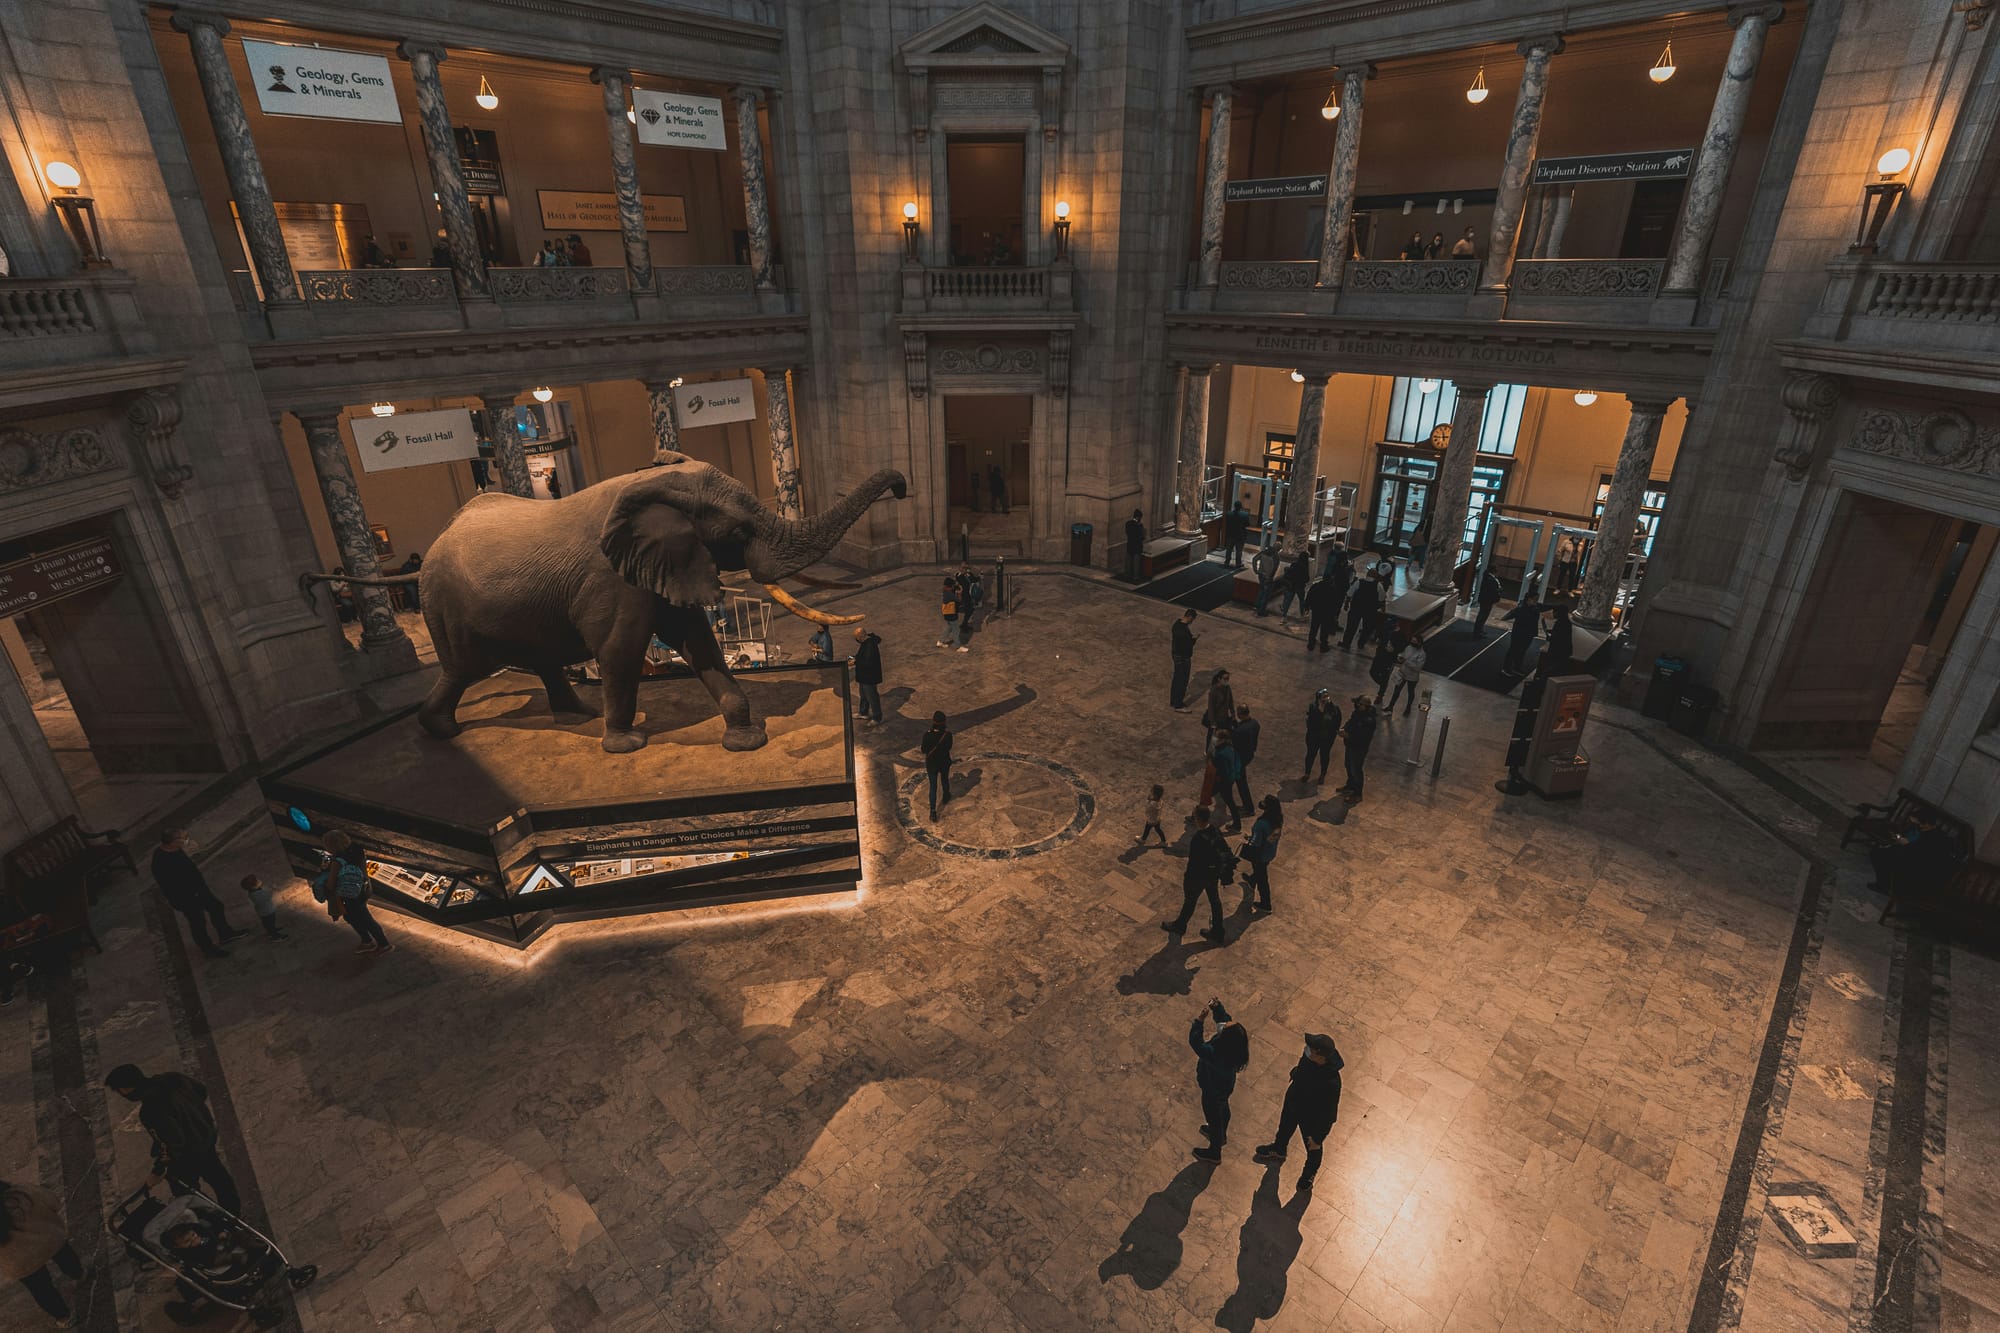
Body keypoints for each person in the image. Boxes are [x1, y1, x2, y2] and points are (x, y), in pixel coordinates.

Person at [103, 1065, 239, 1214]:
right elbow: (201, 1091)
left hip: (188, 1155)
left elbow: (172, 1143)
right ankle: (234, 1213)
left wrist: (157, 1172)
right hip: (205, 1137)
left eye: (119, 1091)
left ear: (126, 1088)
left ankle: (215, 1219)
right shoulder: (174, 1078)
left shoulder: (150, 1110)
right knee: (220, 1180)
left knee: (185, 1193)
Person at [1253, 1033, 1344, 1189]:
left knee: (1312, 1147)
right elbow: (1302, 1069)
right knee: (1284, 1128)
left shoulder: (1331, 1083)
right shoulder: (1309, 1058)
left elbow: (1329, 1114)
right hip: (1294, 1101)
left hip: (1311, 1117)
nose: (1307, 1050)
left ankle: (1309, 1174)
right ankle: (1279, 1149)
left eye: (1311, 1049)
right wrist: (1295, 1073)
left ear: (1320, 1056)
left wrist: (1318, 1138)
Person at [1, 1177, 85, 1327]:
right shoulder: (20, 1194)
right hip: (49, 1240)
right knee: (65, 1256)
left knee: (42, 1289)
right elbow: (53, 1201)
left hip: (21, 1262)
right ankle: (79, 1275)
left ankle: (64, 1317)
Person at [152, 829, 244, 960]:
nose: (188, 839)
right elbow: (171, 886)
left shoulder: (175, 849)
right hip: (187, 898)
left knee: (216, 907)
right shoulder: (161, 862)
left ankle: (225, 934)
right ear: (174, 842)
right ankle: (208, 950)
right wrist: (192, 895)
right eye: (185, 838)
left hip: (199, 889)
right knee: (198, 923)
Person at [1186, 998, 1250, 1162]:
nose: (1224, 1024)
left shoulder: (1215, 1054)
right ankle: (1221, 1135)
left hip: (1212, 1090)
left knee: (1214, 1118)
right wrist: (1217, 1008)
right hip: (1223, 1088)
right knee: (1223, 1110)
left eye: (1225, 1027)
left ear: (1225, 1038)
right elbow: (1225, 1020)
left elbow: (1196, 1043)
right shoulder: (1235, 1048)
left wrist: (1199, 1022)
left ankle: (1215, 1151)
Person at [310, 831, 392, 954]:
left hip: (350, 896)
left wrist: (323, 883)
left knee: (362, 919)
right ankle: (367, 941)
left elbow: (331, 884)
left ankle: (383, 944)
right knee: (355, 916)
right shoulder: (357, 849)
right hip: (364, 888)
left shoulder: (337, 861)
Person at [1164, 805, 1235, 944]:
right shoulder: (1214, 830)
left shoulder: (1198, 838)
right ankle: (1217, 931)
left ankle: (1179, 926)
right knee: (1215, 901)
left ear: (1197, 818)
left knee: (1190, 901)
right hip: (1212, 874)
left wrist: (1188, 877)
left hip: (1198, 876)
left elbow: (1194, 862)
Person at [1240, 795, 1283, 914]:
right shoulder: (1278, 819)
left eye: (1264, 802)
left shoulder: (1261, 824)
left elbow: (1256, 842)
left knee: (1262, 878)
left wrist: (1250, 839)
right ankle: (1252, 880)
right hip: (1270, 852)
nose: (1262, 802)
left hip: (1260, 855)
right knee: (1260, 870)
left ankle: (1266, 904)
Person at [1339, 697, 1378, 803]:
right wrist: (1344, 728)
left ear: (1366, 706)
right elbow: (1351, 722)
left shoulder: (1369, 720)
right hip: (1350, 745)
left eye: (1360, 704)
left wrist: (1348, 735)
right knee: (1348, 765)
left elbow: (1363, 737)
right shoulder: (1358, 713)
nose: (1357, 706)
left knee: (1356, 770)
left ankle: (1357, 794)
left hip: (1359, 748)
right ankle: (1350, 786)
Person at [1208, 732, 1245, 833]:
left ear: (1223, 739)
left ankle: (1237, 826)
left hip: (1223, 782)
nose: (1215, 740)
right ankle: (1237, 825)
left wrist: (1211, 760)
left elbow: (1220, 770)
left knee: (1208, 796)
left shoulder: (1221, 754)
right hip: (1229, 779)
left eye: (1218, 738)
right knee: (1228, 801)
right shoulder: (1230, 748)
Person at [1302, 690, 1341, 784]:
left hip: (1326, 739)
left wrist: (1332, 734)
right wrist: (1320, 711)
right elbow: (1311, 723)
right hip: (1314, 737)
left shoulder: (1334, 708)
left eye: (1327, 696)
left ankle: (1323, 774)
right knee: (1310, 755)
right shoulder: (1313, 707)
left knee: (1324, 756)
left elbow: (1337, 722)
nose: (1326, 699)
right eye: (1323, 697)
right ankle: (1307, 773)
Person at [1229, 705, 1260, 821]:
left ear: (1240, 714)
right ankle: (1247, 806)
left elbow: (1234, 741)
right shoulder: (1255, 723)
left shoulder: (1240, 731)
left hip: (1240, 758)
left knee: (1242, 783)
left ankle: (1248, 808)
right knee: (1240, 780)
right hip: (1249, 754)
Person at [921, 712, 954, 819]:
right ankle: (946, 795)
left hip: (932, 764)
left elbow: (923, 750)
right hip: (944, 762)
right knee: (944, 779)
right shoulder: (947, 735)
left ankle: (933, 811)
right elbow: (949, 747)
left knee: (933, 787)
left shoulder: (927, 735)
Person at [1304, 568, 1343, 654]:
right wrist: (1335, 614)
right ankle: (1323, 646)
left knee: (1314, 628)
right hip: (1327, 613)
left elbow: (1309, 596)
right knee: (1324, 630)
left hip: (1316, 611)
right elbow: (1336, 603)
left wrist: (1307, 607)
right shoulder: (1333, 590)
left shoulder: (1316, 586)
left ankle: (1311, 644)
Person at [1503, 596, 1545, 676]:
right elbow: (1509, 615)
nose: (1536, 601)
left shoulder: (1536, 607)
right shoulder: (1521, 608)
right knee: (1513, 650)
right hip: (1519, 633)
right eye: (1534, 599)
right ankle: (1506, 668)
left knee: (1522, 651)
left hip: (1528, 634)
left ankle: (1516, 667)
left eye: (1537, 599)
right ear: (1529, 599)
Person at [1388, 635, 1428, 717]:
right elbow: (1403, 654)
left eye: (1414, 641)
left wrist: (1406, 661)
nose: (1412, 643)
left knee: (1410, 692)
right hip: (1402, 673)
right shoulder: (1409, 647)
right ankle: (1390, 707)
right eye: (1412, 641)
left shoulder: (1422, 654)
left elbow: (1418, 668)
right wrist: (1400, 658)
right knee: (1396, 691)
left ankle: (1408, 708)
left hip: (1412, 677)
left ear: (1419, 643)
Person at [850, 626, 884, 724]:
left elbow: (868, 662)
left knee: (872, 697)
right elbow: (863, 656)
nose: (856, 639)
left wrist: (855, 661)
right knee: (864, 695)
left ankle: (877, 717)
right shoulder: (866, 642)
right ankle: (863, 712)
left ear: (860, 637)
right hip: (864, 676)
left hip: (869, 677)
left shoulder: (870, 645)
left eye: (856, 637)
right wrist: (855, 658)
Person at [1342, 571, 1383, 651]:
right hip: (1370, 610)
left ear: (1367, 574)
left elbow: (1349, 594)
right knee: (1367, 628)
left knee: (1351, 626)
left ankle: (1346, 643)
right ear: (1375, 576)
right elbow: (1381, 598)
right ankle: (1361, 643)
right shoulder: (1378, 585)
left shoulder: (1359, 582)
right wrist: (1381, 608)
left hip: (1356, 608)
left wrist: (1346, 604)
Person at [239, 874, 285, 942]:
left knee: (267, 923)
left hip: (262, 912)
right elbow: (268, 896)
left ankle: (271, 931)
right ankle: (275, 936)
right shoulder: (257, 894)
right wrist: (273, 888)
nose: (259, 880)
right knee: (270, 923)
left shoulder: (253, 892)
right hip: (267, 912)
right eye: (257, 881)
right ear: (254, 886)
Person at [1170, 611, 1198, 711]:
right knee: (1182, 681)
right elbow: (1186, 645)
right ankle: (1178, 704)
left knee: (1176, 679)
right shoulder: (1183, 630)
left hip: (1176, 655)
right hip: (1183, 658)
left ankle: (1173, 701)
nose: (1192, 621)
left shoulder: (1177, 625)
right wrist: (1193, 640)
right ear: (1190, 617)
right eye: (1192, 619)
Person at [1369, 626, 1403, 705]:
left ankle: (1380, 695)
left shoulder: (1399, 636)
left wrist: (1394, 650)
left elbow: (1401, 647)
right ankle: (1383, 684)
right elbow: (1380, 639)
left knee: (1385, 676)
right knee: (1372, 672)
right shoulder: (1386, 630)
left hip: (1389, 660)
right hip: (1379, 656)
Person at [1277, 548, 1311, 625]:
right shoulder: (1305, 567)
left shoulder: (1294, 564)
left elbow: (1288, 573)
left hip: (1291, 585)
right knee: (1301, 601)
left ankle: (1284, 617)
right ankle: (1302, 615)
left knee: (1287, 601)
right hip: (1300, 587)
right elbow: (1307, 578)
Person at [1202, 668, 1235, 745]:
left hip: (1225, 717)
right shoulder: (1214, 690)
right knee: (1213, 739)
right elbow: (1211, 708)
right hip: (1216, 719)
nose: (1227, 680)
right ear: (1219, 679)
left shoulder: (1227, 688)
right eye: (1225, 679)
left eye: (1228, 678)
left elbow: (1231, 702)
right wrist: (1213, 723)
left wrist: (1233, 714)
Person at [1474, 569, 1505, 637]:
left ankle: (1480, 629)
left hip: (1486, 600)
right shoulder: (1490, 579)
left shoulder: (1489, 578)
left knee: (1483, 615)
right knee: (1482, 616)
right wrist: (1499, 591)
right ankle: (1477, 631)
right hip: (1487, 600)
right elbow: (1492, 590)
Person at [1545, 603, 1575, 673]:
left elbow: (1556, 638)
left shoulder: (1559, 623)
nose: (1553, 613)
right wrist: (1551, 631)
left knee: (1551, 668)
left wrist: (1549, 638)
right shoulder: (1566, 622)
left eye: (1554, 612)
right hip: (1565, 651)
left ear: (1559, 613)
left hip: (1558, 651)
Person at [1252, 542, 1279, 616]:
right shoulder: (1276, 556)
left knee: (1261, 590)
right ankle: (1261, 611)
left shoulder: (1264, 552)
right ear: (1279, 549)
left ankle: (1257, 606)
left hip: (1261, 574)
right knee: (1266, 594)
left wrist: (1255, 570)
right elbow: (1274, 569)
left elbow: (1254, 559)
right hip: (1268, 577)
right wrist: (1270, 577)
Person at [1222, 501, 1251, 568]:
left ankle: (1227, 562)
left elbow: (1227, 523)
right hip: (1240, 535)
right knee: (1239, 550)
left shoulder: (1229, 514)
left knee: (1229, 549)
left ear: (1234, 506)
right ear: (1241, 507)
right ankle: (1238, 563)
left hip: (1230, 534)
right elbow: (1247, 524)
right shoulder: (1245, 514)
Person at [1124, 508, 1148, 582]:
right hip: (1137, 545)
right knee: (1136, 562)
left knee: (1128, 561)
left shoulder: (1128, 523)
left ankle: (1127, 574)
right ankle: (1135, 576)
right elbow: (1142, 536)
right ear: (1138, 517)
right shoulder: (1139, 525)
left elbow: (1127, 533)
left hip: (1130, 544)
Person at [937, 576, 960, 649]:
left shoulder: (945, 591)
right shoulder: (949, 594)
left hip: (947, 613)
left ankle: (940, 641)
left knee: (949, 627)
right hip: (951, 614)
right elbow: (959, 600)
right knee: (956, 629)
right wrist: (959, 593)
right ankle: (957, 646)